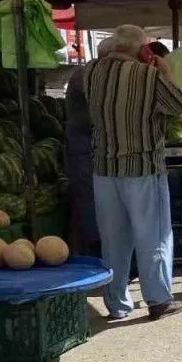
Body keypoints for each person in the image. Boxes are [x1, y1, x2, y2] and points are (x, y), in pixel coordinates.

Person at [84, 24, 182, 321]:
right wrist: (166, 70)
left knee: (113, 239)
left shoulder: (90, 71)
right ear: (143, 49)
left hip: (104, 168)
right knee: (153, 235)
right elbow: (180, 107)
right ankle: (159, 300)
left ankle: (117, 303)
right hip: (142, 167)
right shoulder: (147, 75)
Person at [64, 37, 114, 259]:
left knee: (97, 199)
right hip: (82, 148)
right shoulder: (85, 75)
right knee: (89, 199)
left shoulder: (97, 74)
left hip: (93, 146)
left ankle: (100, 247)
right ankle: (93, 251)